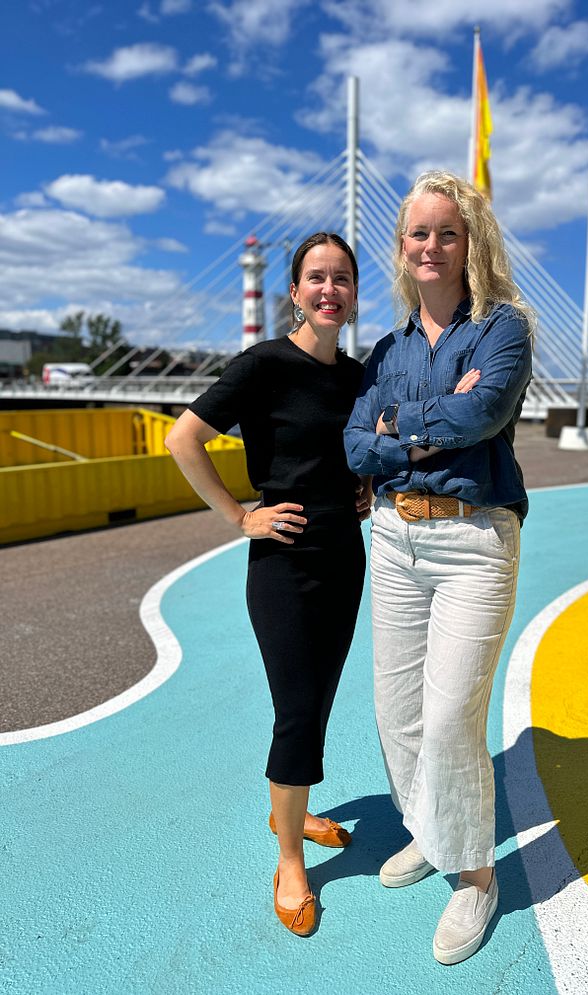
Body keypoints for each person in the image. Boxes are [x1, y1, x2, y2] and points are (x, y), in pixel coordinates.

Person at [344, 171, 534, 965]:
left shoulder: (503, 328)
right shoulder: (384, 349)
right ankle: (431, 828)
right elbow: (356, 446)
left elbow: (485, 409)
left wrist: (401, 424)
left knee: (454, 713)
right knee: (399, 711)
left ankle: (476, 874)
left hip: (472, 541)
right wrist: (425, 425)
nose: (430, 245)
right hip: (392, 538)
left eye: (445, 232)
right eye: (417, 233)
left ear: (469, 243)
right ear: (402, 248)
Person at [165, 232, 369, 938]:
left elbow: (349, 451)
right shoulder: (263, 365)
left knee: (318, 701)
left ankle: (295, 806)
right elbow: (181, 439)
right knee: (295, 708)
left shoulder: (356, 376)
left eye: (341, 278)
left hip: (345, 555)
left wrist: (362, 486)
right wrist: (238, 517)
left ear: (351, 291)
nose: (329, 289)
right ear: (294, 290)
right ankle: (288, 857)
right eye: (317, 277)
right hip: (283, 563)